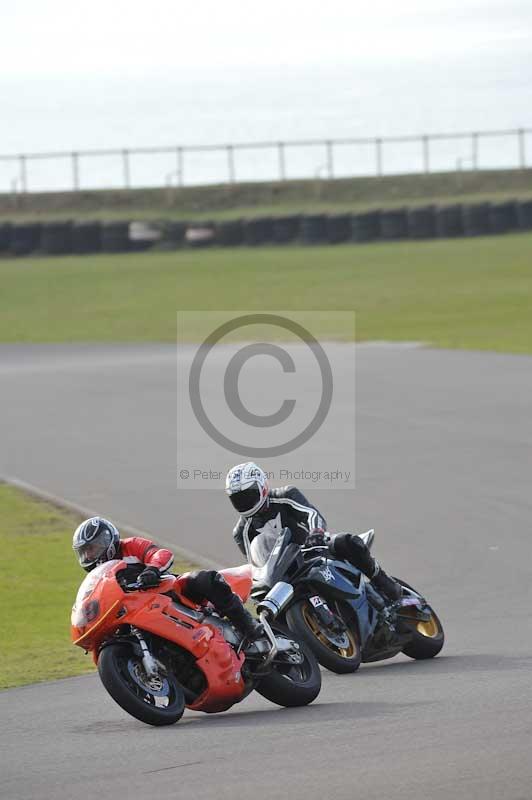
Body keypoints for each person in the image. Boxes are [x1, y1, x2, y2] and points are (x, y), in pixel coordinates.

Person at [226, 462, 401, 601]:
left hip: (314, 550)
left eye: (248, 494)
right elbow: (255, 566)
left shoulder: (285, 495)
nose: (245, 502)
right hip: (286, 572)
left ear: (262, 486)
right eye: (238, 499)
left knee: (345, 541)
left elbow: (311, 514)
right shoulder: (241, 532)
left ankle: (382, 580)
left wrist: (316, 533)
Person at [72, 516, 262, 639]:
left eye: (93, 548)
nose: (89, 555)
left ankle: (248, 625)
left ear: (107, 539)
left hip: (166, 592)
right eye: (85, 552)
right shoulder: (98, 579)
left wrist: (152, 570)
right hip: (136, 614)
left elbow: (160, 554)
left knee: (204, 579)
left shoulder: (130, 546)